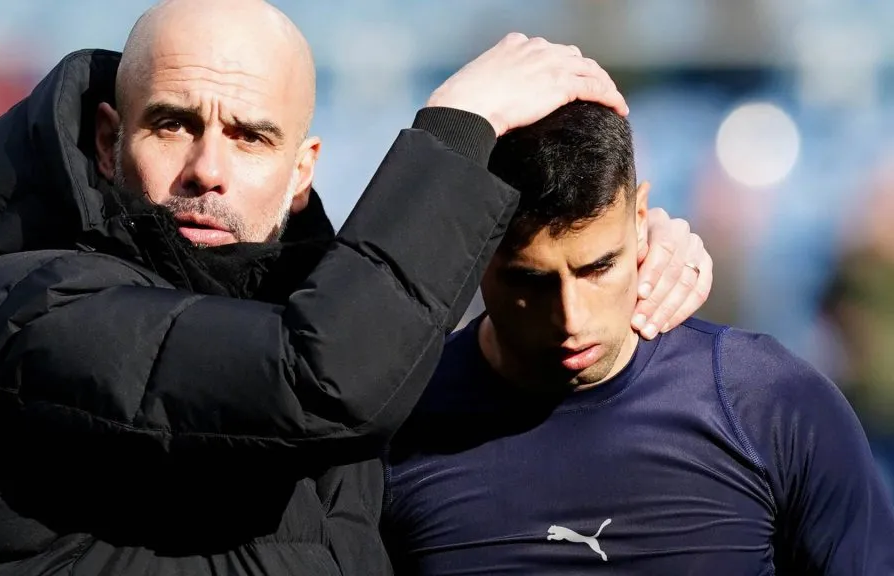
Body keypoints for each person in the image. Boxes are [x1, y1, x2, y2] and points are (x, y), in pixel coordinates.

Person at [0, 0, 712, 574]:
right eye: (173, 123)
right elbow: (318, 381)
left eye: (250, 136)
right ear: (105, 140)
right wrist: (456, 131)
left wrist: (633, 266)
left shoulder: (310, 308)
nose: (208, 169)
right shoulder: (25, 305)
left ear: (302, 173)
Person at [381, 101, 894, 575]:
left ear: (642, 218)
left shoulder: (770, 406)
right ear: (475, 249)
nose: (571, 317)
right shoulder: (396, 425)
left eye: (598, 267)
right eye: (530, 280)